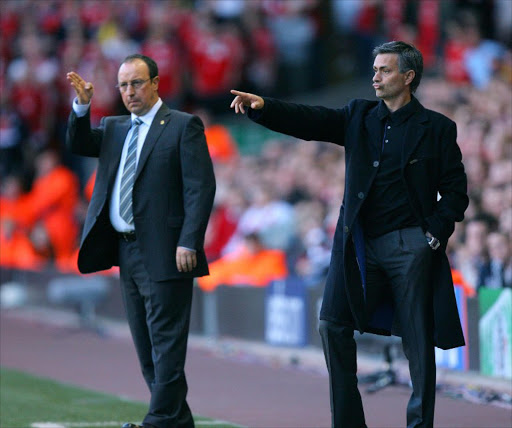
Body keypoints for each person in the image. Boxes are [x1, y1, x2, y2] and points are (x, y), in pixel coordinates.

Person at [230, 41, 469, 428]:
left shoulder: (438, 128)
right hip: (358, 245)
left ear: (408, 77)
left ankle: (420, 424)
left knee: (418, 341)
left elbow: (456, 191)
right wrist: (266, 107)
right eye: (374, 69)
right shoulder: (359, 115)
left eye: (384, 70)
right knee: (332, 325)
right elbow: (311, 120)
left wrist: (433, 236)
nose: (375, 76)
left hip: (410, 244)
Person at [66, 54, 216, 428]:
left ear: (155, 83)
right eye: (123, 85)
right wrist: (82, 106)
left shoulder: (183, 126)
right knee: (146, 346)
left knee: (166, 341)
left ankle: (159, 421)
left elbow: (201, 188)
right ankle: (176, 421)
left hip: (167, 251)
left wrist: (189, 241)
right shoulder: (115, 127)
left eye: (136, 83)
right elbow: (79, 142)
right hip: (126, 251)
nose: (129, 91)